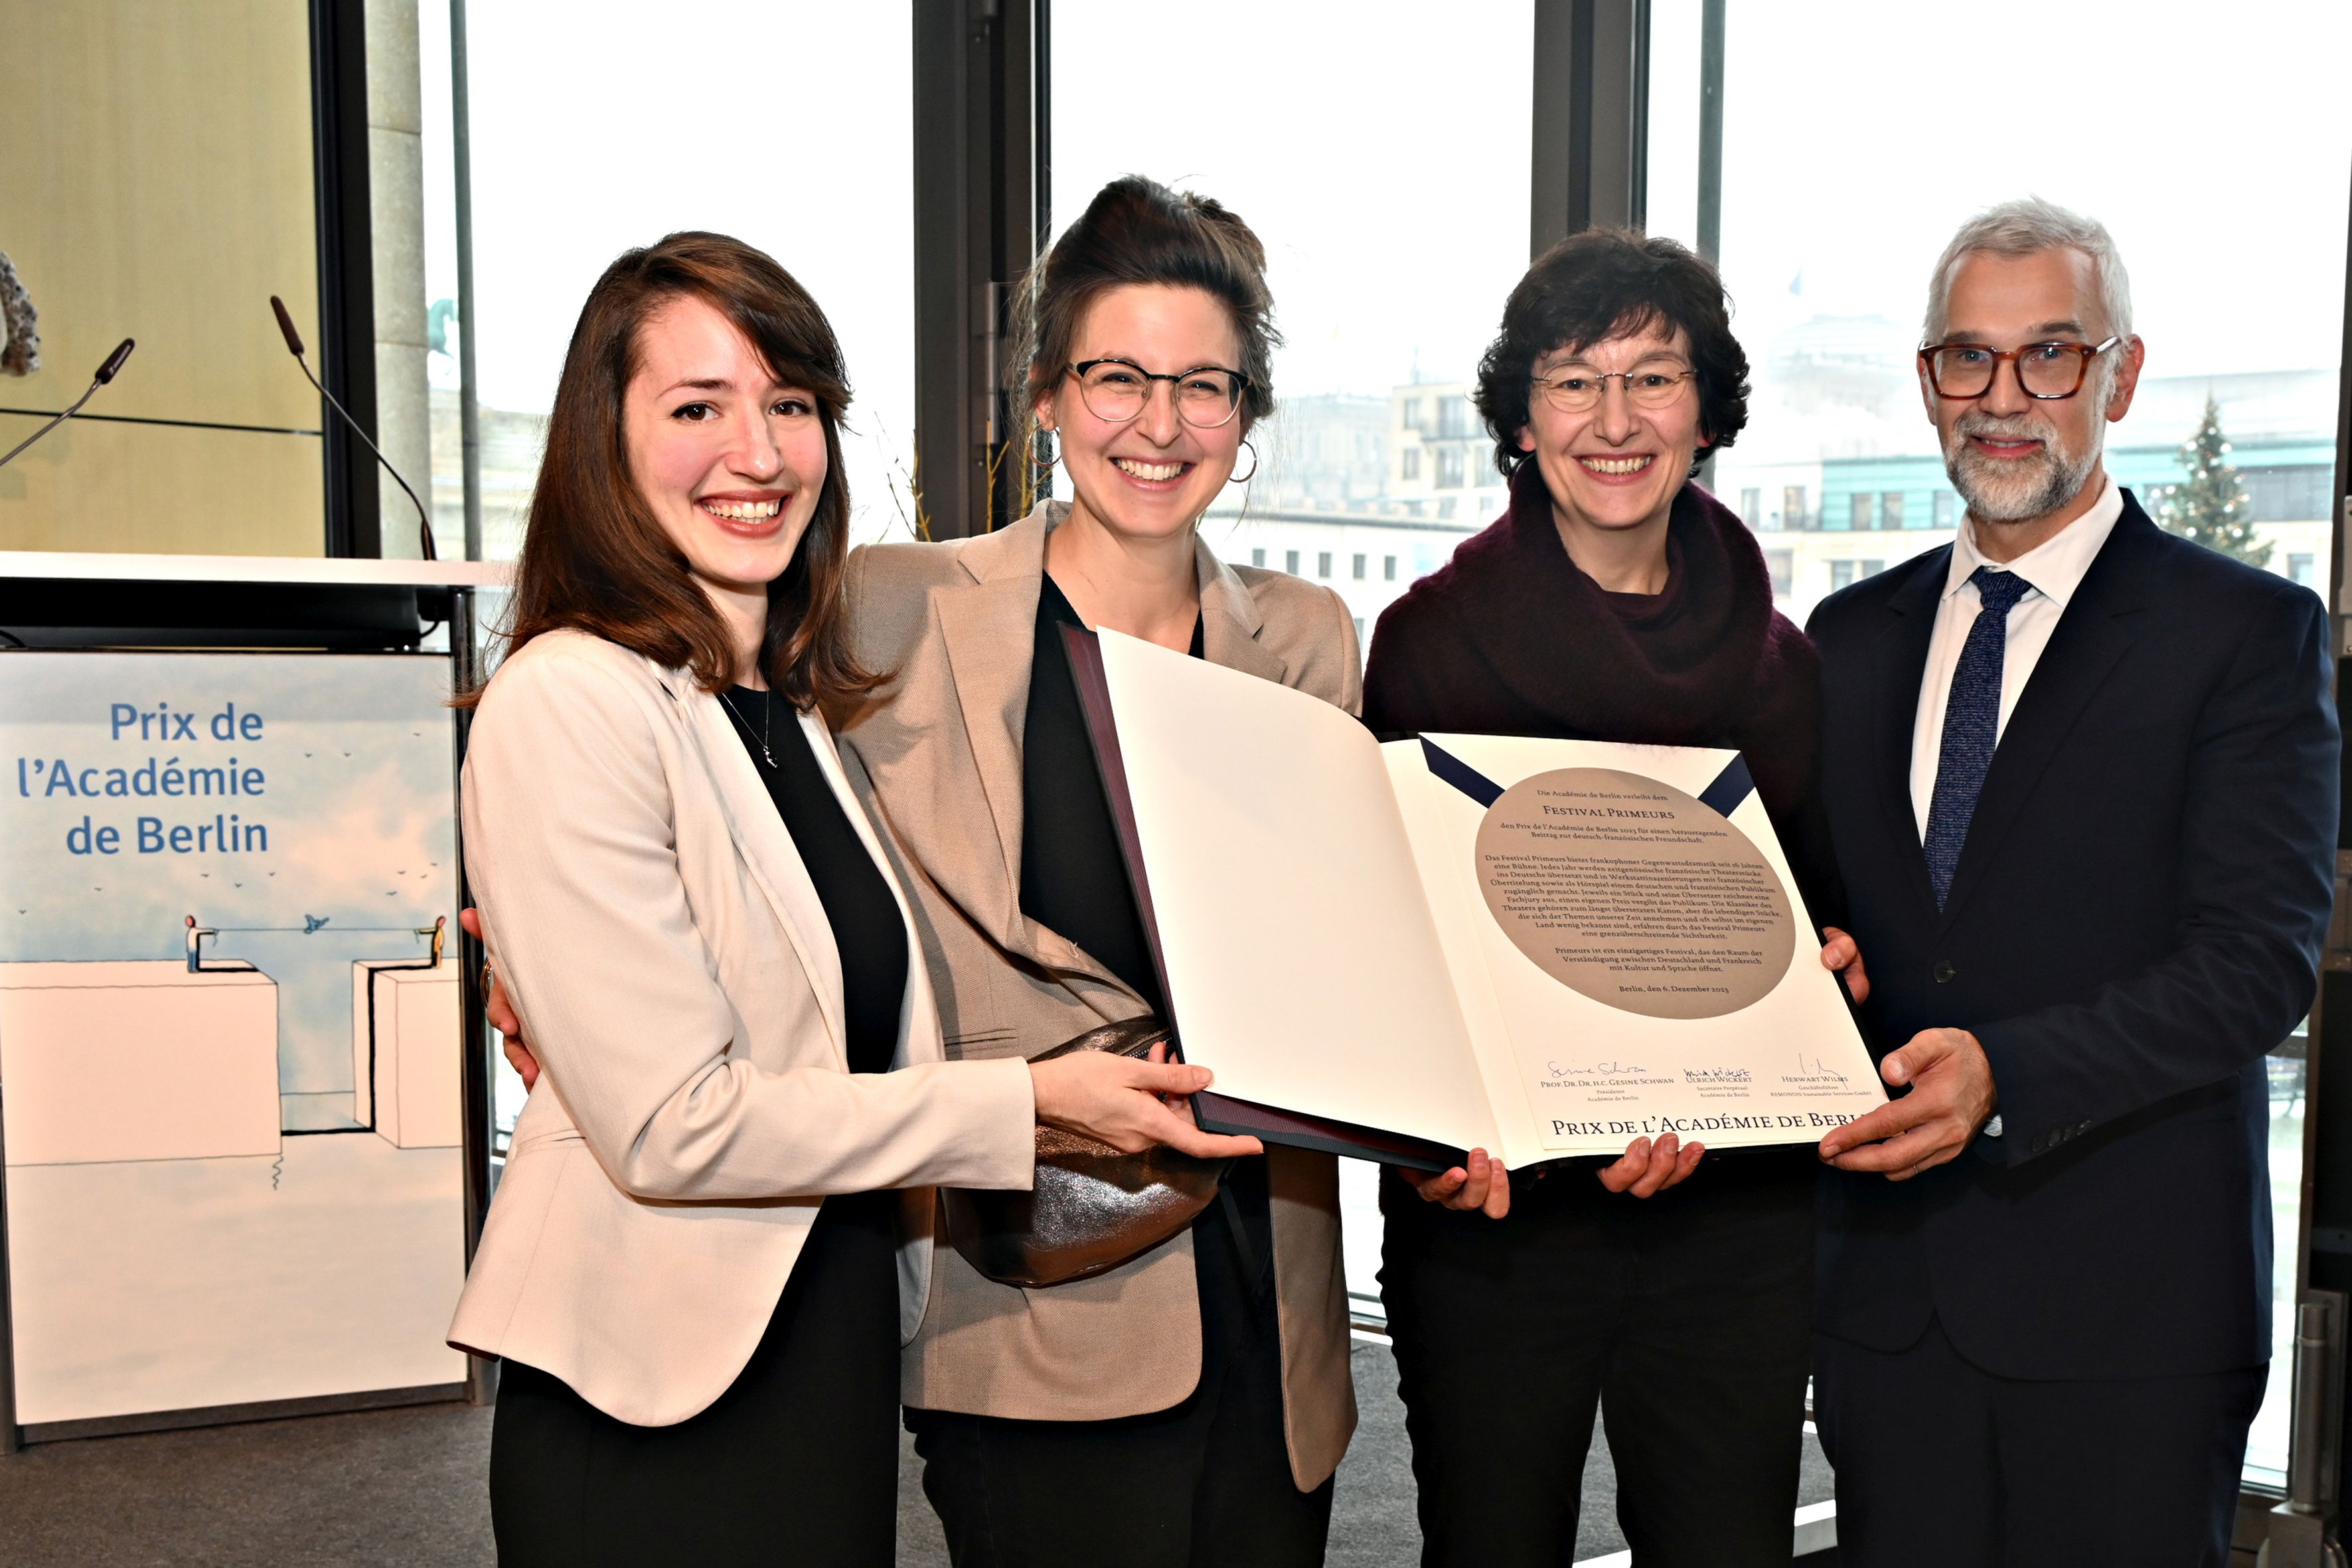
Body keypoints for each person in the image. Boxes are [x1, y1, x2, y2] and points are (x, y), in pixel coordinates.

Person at [452, 231, 1253, 1568]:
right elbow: (672, 1125)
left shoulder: (790, 702)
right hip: (651, 1380)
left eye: (790, 405)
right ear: (605, 440)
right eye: (696, 409)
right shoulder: (571, 696)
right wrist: (1028, 1102)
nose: (757, 453)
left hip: (822, 1342)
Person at [830, 175, 1362, 1568]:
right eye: (1117, 377)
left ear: (1246, 410)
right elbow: (708, 745)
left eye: (1204, 386)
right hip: (1028, 1297)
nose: (1159, 424)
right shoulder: (895, 608)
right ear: (1047, 395)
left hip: (1267, 1292)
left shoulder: (1309, 637)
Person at [1806, 197, 2337, 1567]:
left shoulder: (2245, 633)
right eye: (1967, 358)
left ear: (2120, 373)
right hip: (1888, 1311)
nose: (2003, 398)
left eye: (2048, 354)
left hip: (2133, 1323)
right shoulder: (1845, 637)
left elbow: (2257, 962)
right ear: (1928, 379)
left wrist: (2005, 1073)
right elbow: (1832, 923)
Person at [1361, 228, 1866, 1565]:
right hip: (1501, 1225)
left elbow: (1816, 920)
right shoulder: (1424, 643)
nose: (1615, 418)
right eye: (1574, 381)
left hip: (1733, 1228)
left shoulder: (1784, 669)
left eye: (1653, 377)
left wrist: (1825, 972)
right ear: (1521, 420)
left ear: (1707, 412)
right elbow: (1395, 946)